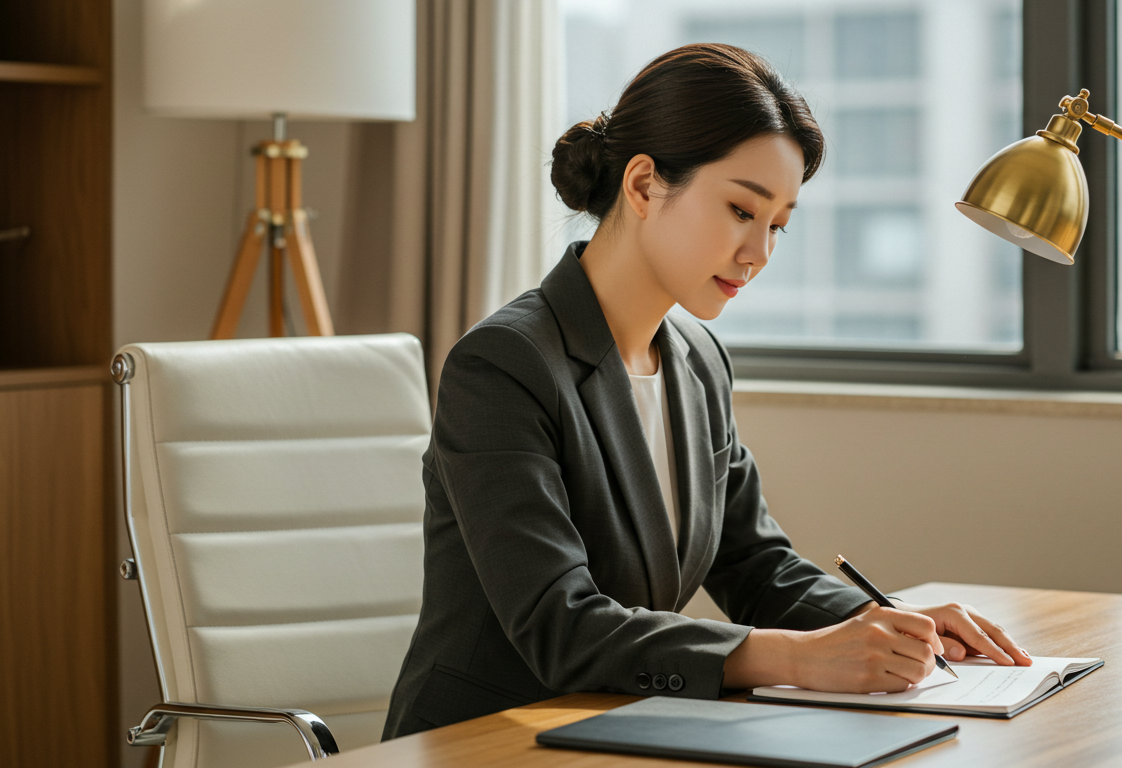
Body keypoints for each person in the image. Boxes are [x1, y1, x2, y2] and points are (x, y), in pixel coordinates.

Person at [382, 42, 1030, 739]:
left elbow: (753, 564)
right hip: (486, 740)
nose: (759, 254)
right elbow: (558, 624)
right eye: (741, 211)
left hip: (620, 732)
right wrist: (800, 659)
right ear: (642, 186)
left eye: (778, 225)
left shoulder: (696, 360)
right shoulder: (504, 365)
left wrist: (879, 623)